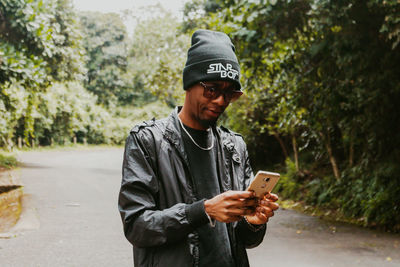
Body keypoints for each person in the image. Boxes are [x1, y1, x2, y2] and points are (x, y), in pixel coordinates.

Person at [118, 29, 279, 267]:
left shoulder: (234, 147)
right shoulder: (147, 140)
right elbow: (137, 226)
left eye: (229, 93)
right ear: (190, 84)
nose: (221, 100)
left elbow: (244, 239)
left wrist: (254, 222)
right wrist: (202, 211)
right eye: (212, 89)